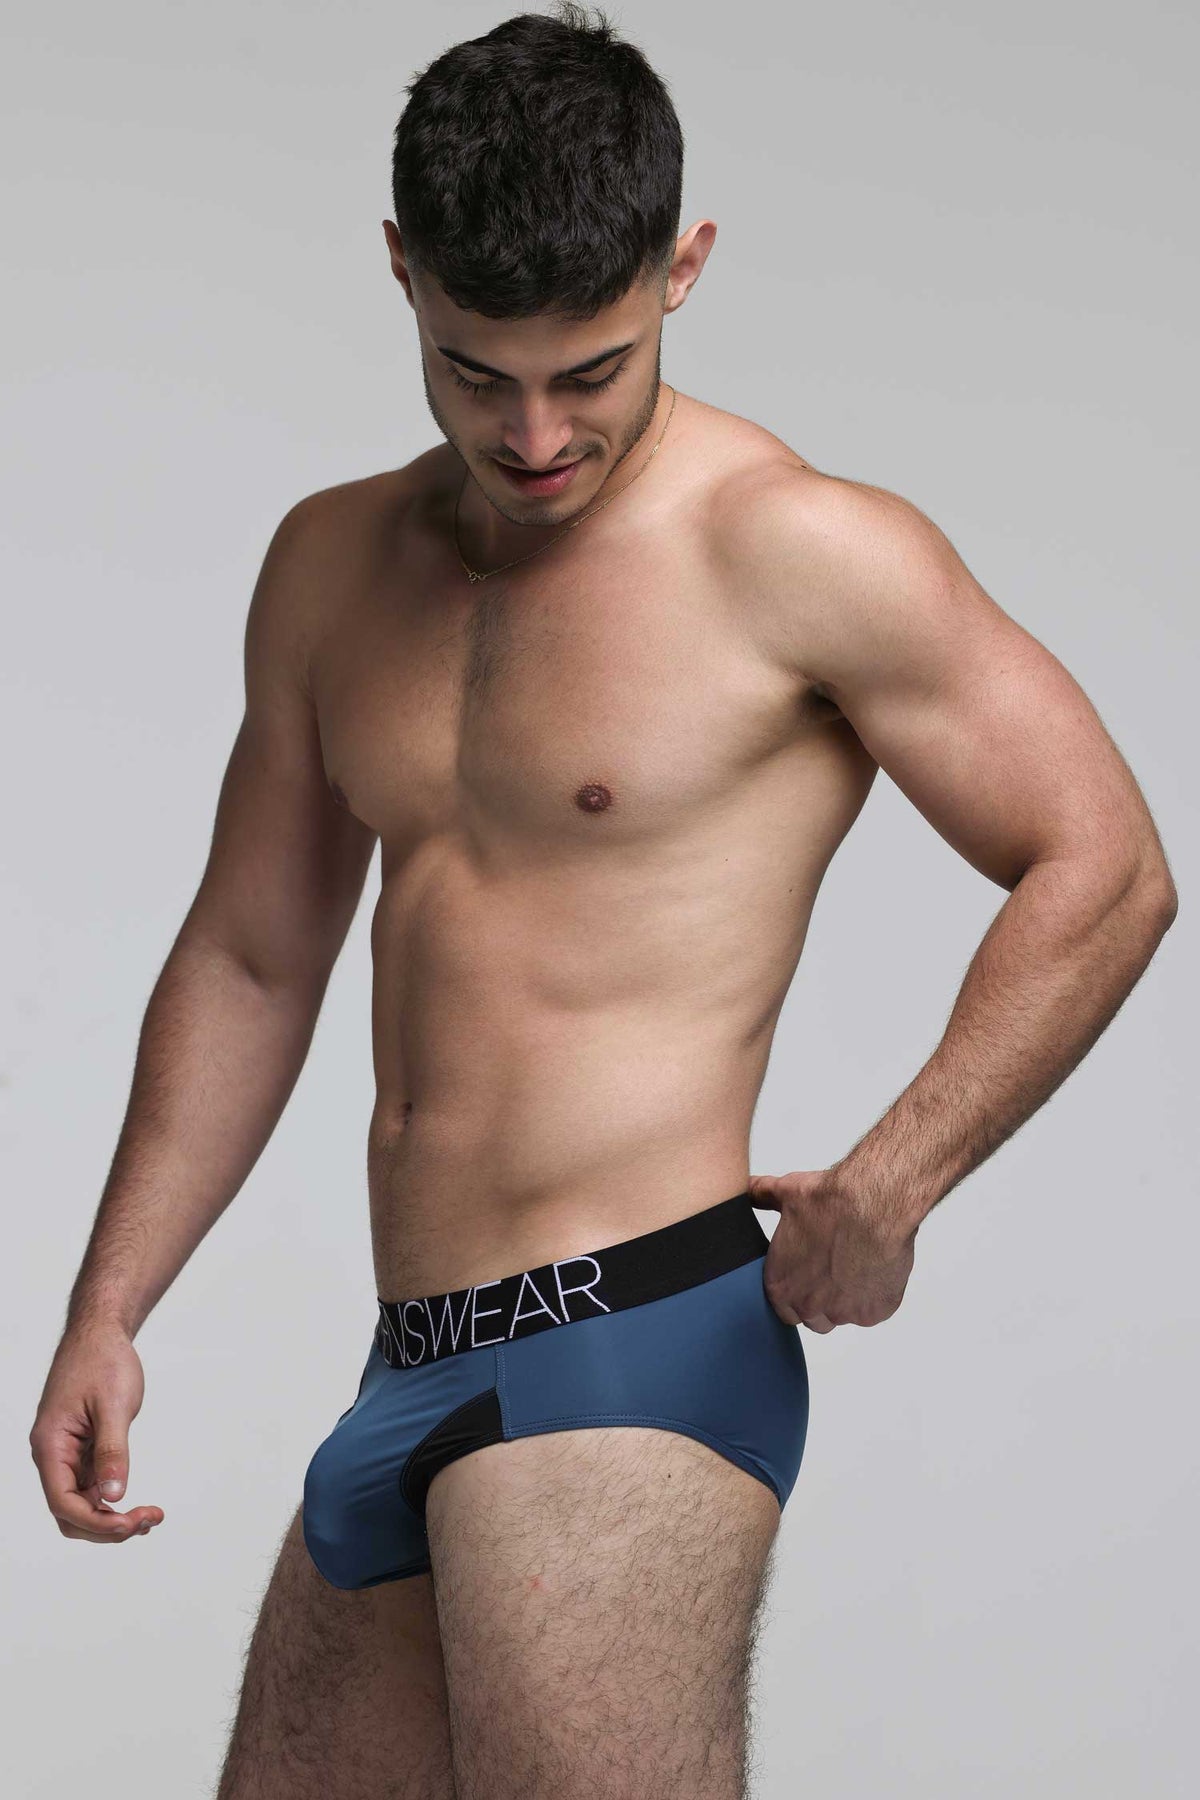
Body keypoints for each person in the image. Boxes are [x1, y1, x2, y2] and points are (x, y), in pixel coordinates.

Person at [29, 5, 1177, 1797]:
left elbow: (1105, 862)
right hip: (408, 1360)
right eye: (477, 372)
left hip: (631, 1341)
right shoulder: (331, 564)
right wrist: (112, 1303)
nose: (537, 432)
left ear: (683, 269)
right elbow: (252, 958)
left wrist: (896, 1177)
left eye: (592, 370)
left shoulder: (795, 549)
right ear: (401, 272)